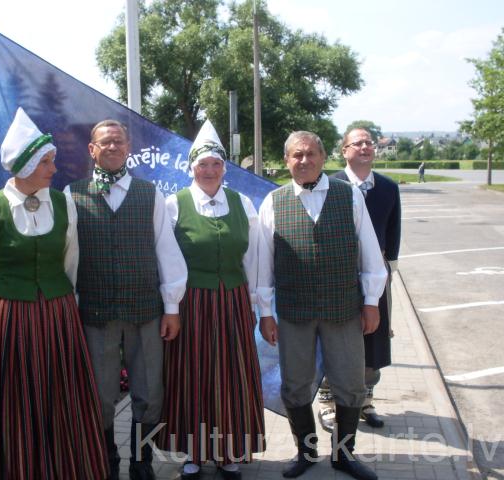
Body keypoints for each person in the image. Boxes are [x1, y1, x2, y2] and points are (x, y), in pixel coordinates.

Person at [0, 107, 109, 479]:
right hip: (10, 316)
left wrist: (59, 300)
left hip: (57, 312)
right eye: (46, 161)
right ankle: (18, 466)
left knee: (62, 391)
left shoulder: (62, 204)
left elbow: (70, 261)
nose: (53, 168)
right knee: (14, 396)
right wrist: (4, 307)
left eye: (51, 161)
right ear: (27, 165)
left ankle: (65, 466)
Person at [258, 131, 387, 480]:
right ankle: (306, 451)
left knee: (349, 383)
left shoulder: (349, 196)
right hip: (294, 312)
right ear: (287, 161)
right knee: (295, 383)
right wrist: (265, 312)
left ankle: (344, 455)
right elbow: (263, 265)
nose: (304, 160)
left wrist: (372, 302)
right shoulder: (273, 202)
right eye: (296, 155)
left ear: (323, 156)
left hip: (343, 308)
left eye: (311, 154)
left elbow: (370, 254)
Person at [66, 119, 187, 480]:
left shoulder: (150, 195)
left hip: (144, 310)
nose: (113, 147)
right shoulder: (72, 195)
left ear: (128, 147)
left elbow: (167, 252)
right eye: (105, 142)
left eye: (118, 141)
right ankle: (107, 460)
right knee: (101, 395)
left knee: (149, 390)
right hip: (96, 310)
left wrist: (171, 308)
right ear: (93, 150)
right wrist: (71, 307)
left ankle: (141, 460)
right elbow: (67, 258)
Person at [156, 121, 266, 480]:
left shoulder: (242, 203)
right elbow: (167, 260)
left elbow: (254, 260)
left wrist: (259, 307)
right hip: (192, 304)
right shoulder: (174, 205)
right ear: (192, 168)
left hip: (233, 302)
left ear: (224, 168)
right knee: (192, 375)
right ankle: (194, 453)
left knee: (232, 376)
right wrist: (171, 306)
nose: (209, 170)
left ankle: (230, 450)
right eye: (202, 164)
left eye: (216, 164)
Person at [317, 129, 402, 433]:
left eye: (369, 143)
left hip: (375, 273)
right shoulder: (330, 186)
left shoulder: (389, 189)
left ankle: (365, 400)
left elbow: (392, 234)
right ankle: (328, 401)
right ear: (344, 150)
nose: (366, 147)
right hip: (337, 273)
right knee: (335, 334)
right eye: (358, 143)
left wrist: (389, 273)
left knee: (374, 336)